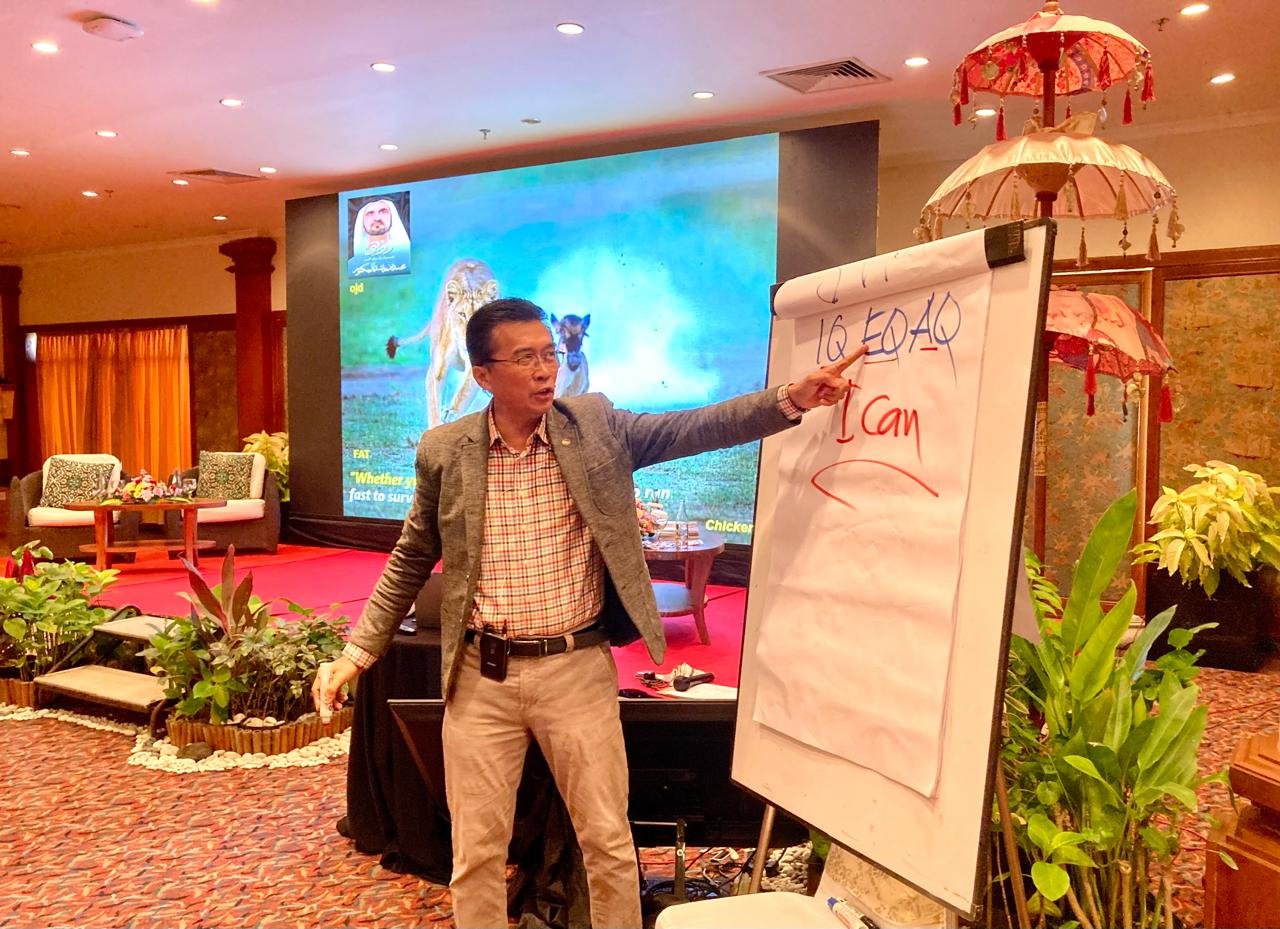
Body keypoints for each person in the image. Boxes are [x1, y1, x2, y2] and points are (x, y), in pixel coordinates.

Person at [314, 297, 865, 928]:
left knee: (607, 842)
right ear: (484, 374)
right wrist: (357, 653)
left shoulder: (595, 424)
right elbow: (413, 554)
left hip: (574, 670)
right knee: (476, 853)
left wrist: (791, 399)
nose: (545, 369)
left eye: (549, 353)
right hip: (480, 677)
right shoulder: (446, 449)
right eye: (525, 358)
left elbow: (693, 427)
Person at [348, 196, 411, 276]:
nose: (377, 218)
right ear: (361, 222)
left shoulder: (410, 259)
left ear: (392, 218)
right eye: (370, 213)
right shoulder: (351, 267)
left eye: (383, 211)